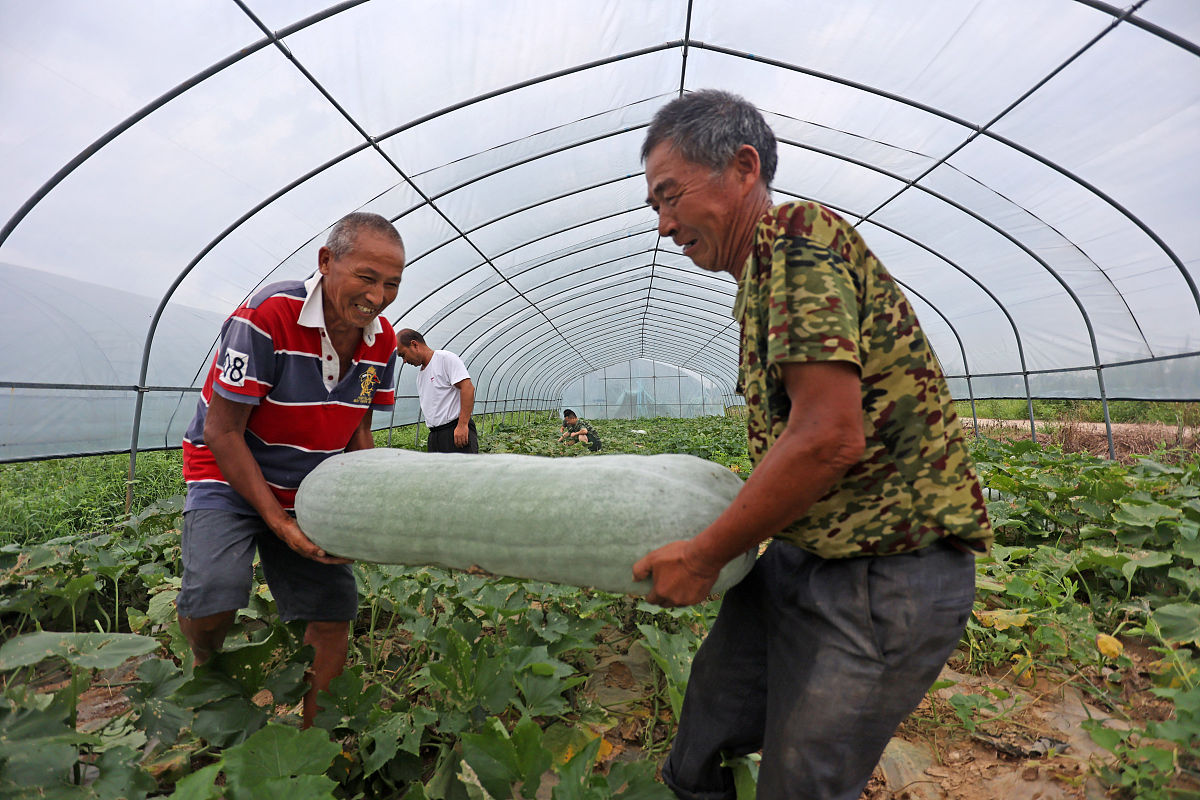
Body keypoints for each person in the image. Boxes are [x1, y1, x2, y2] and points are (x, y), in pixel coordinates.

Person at [631, 90, 992, 799]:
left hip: (886, 577)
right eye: (655, 209)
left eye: (671, 197)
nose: (666, 225)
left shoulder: (797, 235)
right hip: (804, 557)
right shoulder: (759, 276)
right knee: (703, 735)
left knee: (802, 785)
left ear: (743, 167)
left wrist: (703, 555)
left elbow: (828, 436)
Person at [178, 212, 405, 729]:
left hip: (310, 485)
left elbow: (356, 424)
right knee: (214, 598)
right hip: (227, 472)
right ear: (326, 262)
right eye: (367, 278)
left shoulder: (381, 344)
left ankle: (313, 737)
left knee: (332, 612)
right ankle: (206, 663)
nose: (378, 296)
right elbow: (222, 432)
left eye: (391, 284)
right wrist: (279, 524)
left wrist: (362, 507)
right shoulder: (264, 318)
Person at [396, 330, 478, 453]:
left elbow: (468, 388)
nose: (404, 361)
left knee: (462, 471)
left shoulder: (444, 359)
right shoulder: (421, 376)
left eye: (403, 355)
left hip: (455, 431)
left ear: (414, 344)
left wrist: (462, 425)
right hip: (435, 435)